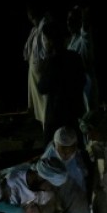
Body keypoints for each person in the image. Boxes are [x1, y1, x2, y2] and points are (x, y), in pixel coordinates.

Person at [37, 17, 86, 145]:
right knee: (76, 148)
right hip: (74, 114)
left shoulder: (52, 62)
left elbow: (42, 87)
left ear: (51, 41)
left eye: (45, 39)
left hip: (56, 117)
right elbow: (82, 81)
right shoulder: (75, 57)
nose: (44, 43)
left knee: (53, 151)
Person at [24, 6, 51, 126]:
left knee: (45, 107)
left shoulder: (45, 27)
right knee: (40, 110)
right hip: (35, 75)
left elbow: (47, 51)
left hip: (42, 74)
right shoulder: (35, 29)